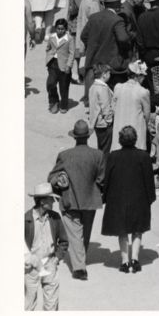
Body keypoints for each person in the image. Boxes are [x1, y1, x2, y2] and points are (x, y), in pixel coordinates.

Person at [50, 119, 105, 281]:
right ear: (88, 137)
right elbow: (101, 179)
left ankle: (79, 267)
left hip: (70, 198)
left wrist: (59, 180)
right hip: (90, 199)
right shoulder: (98, 155)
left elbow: (51, 176)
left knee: (75, 234)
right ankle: (81, 262)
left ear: (74, 137)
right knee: (85, 232)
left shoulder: (64, 155)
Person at [101, 124, 155, 273]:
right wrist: (151, 197)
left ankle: (125, 261)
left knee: (122, 230)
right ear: (135, 139)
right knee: (138, 230)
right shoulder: (144, 156)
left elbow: (108, 178)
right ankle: (135, 259)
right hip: (139, 198)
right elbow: (149, 179)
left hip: (118, 198)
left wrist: (105, 197)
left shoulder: (113, 156)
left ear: (120, 140)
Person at [25, 183, 69, 310]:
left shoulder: (55, 217)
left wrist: (56, 259)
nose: (54, 202)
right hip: (31, 267)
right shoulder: (26, 220)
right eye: (51, 199)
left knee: (52, 306)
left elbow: (64, 241)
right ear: (42, 201)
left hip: (50, 263)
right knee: (28, 306)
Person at [44, 17, 74, 115]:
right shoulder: (52, 37)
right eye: (58, 28)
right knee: (50, 83)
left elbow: (72, 53)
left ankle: (63, 105)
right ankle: (54, 102)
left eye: (62, 29)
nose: (60, 31)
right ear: (55, 28)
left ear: (65, 29)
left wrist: (69, 66)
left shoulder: (69, 39)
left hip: (64, 66)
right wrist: (48, 57)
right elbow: (48, 48)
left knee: (64, 87)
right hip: (53, 64)